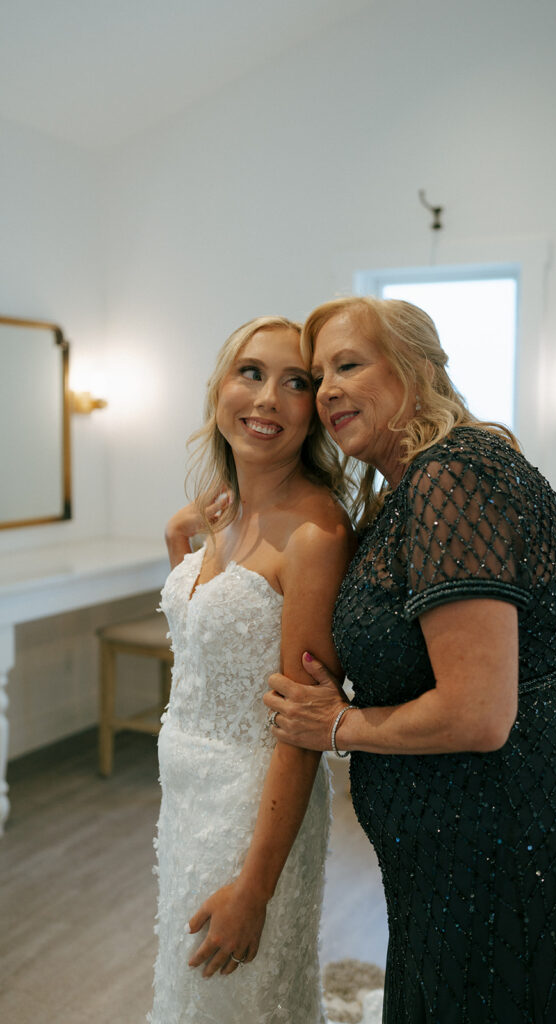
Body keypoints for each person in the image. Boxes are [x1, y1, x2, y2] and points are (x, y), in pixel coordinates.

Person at [264, 297, 556, 1023]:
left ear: (414, 367)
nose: (327, 388)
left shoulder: (452, 478)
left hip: (499, 824)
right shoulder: (428, 476)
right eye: (318, 374)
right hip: (479, 824)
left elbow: (477, 713)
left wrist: (338, 726)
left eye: (348, 364)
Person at [147, 315, 355, 1024]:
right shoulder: (221, 514)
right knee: (188, 990)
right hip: (183, 795)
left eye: (295, 383)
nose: (267, 398)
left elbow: (297, 728)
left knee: (235, 998)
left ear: (315, 410)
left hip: (249, 810)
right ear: (219, 390)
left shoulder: (314, 534)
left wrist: (255, 890)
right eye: (251, 373)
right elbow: (207, 654)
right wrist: (181, 543)